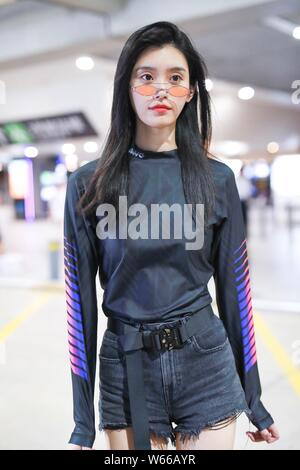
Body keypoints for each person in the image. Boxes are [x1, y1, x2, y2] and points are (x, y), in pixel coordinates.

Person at [64, 21, 279, 450]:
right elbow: (79, 305)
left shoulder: (217, 180)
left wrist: (253, 398)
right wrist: (82, 423)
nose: (161, 90)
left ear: (191, 91)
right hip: (127, 367)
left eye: (175, 78)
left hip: (206, 362)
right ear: (126, 86)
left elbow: (236, 291)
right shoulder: (88, 184)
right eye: (147, 77)